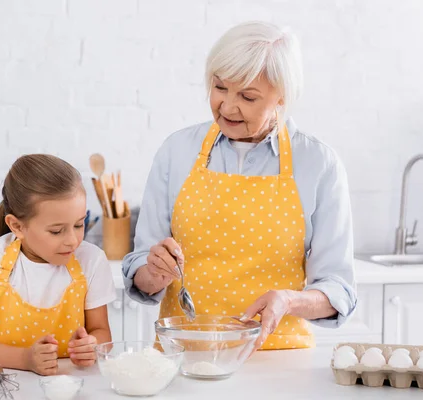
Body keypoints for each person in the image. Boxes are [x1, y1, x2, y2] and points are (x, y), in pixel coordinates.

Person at [123, 21, 357, 350]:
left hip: (279, 359)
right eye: (220, 88)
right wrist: (154, 272)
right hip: (186, 355)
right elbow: (141, 268)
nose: (228, 106)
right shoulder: (177, 151)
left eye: (247, 96)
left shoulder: (319, 164)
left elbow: (339, 289)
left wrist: (289, 301)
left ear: (282, 98)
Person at [0, 154, 116, 375]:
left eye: (80, 224)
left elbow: (102, 333)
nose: (72, 240)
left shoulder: (91, 261)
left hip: (72, 386)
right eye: (56, 230)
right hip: (6, 387)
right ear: (17, 226)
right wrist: (25, 359)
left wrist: (92, 346)